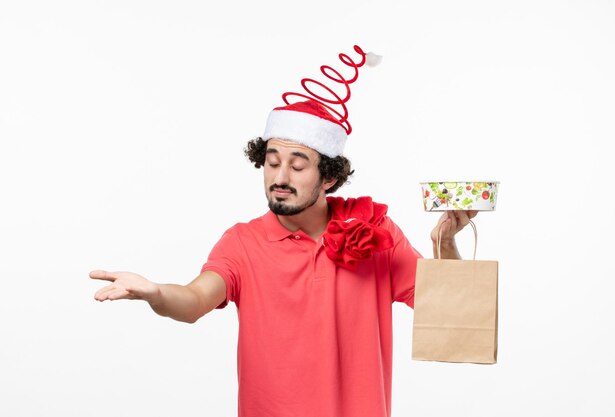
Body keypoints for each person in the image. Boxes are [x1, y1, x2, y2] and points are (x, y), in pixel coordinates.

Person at [90, 46, 477, 417]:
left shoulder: (375, 231)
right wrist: (156, 293)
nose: (279, 177)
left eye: (297, 165)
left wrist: (445, 244)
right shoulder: (242, 243)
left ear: (329, 176)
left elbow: (449, 312)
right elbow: (194, 300)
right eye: (272, 162)